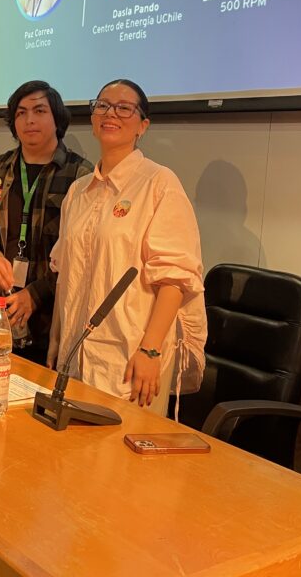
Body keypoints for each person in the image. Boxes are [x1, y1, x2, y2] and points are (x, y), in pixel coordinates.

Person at [49, 80, 207, 416]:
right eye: (103, 105)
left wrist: (150, 351)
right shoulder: (79, 192)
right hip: (75, 355)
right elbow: (66, 276)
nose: (110, 113)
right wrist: (56, 341)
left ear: (143, 126)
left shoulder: (160, 183)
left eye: (124, 108)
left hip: (131, 359)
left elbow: (175, 279)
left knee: (118, 463)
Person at [0, 81, 92, 364]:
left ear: (57, 118)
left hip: (50, 319)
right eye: (21, 113)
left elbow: (85, 255)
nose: (29, 119)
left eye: (39, 110)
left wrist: (37, 293)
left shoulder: (82, 176)